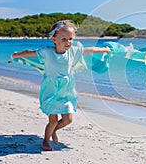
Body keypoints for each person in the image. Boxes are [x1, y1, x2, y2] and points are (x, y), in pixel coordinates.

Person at [11, 20, 111, 151]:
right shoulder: (47, 52)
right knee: (52, 120)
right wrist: (17, 55)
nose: (68, 42)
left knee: (68, 119)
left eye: (70, 39)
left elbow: (90, 50)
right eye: (63, 39)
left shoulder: (73, 52)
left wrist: (104, 49)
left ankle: (54, 131)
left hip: (66, 91)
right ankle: (46, 141)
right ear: (54, 39)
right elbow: (30, 52)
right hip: (51, 90)